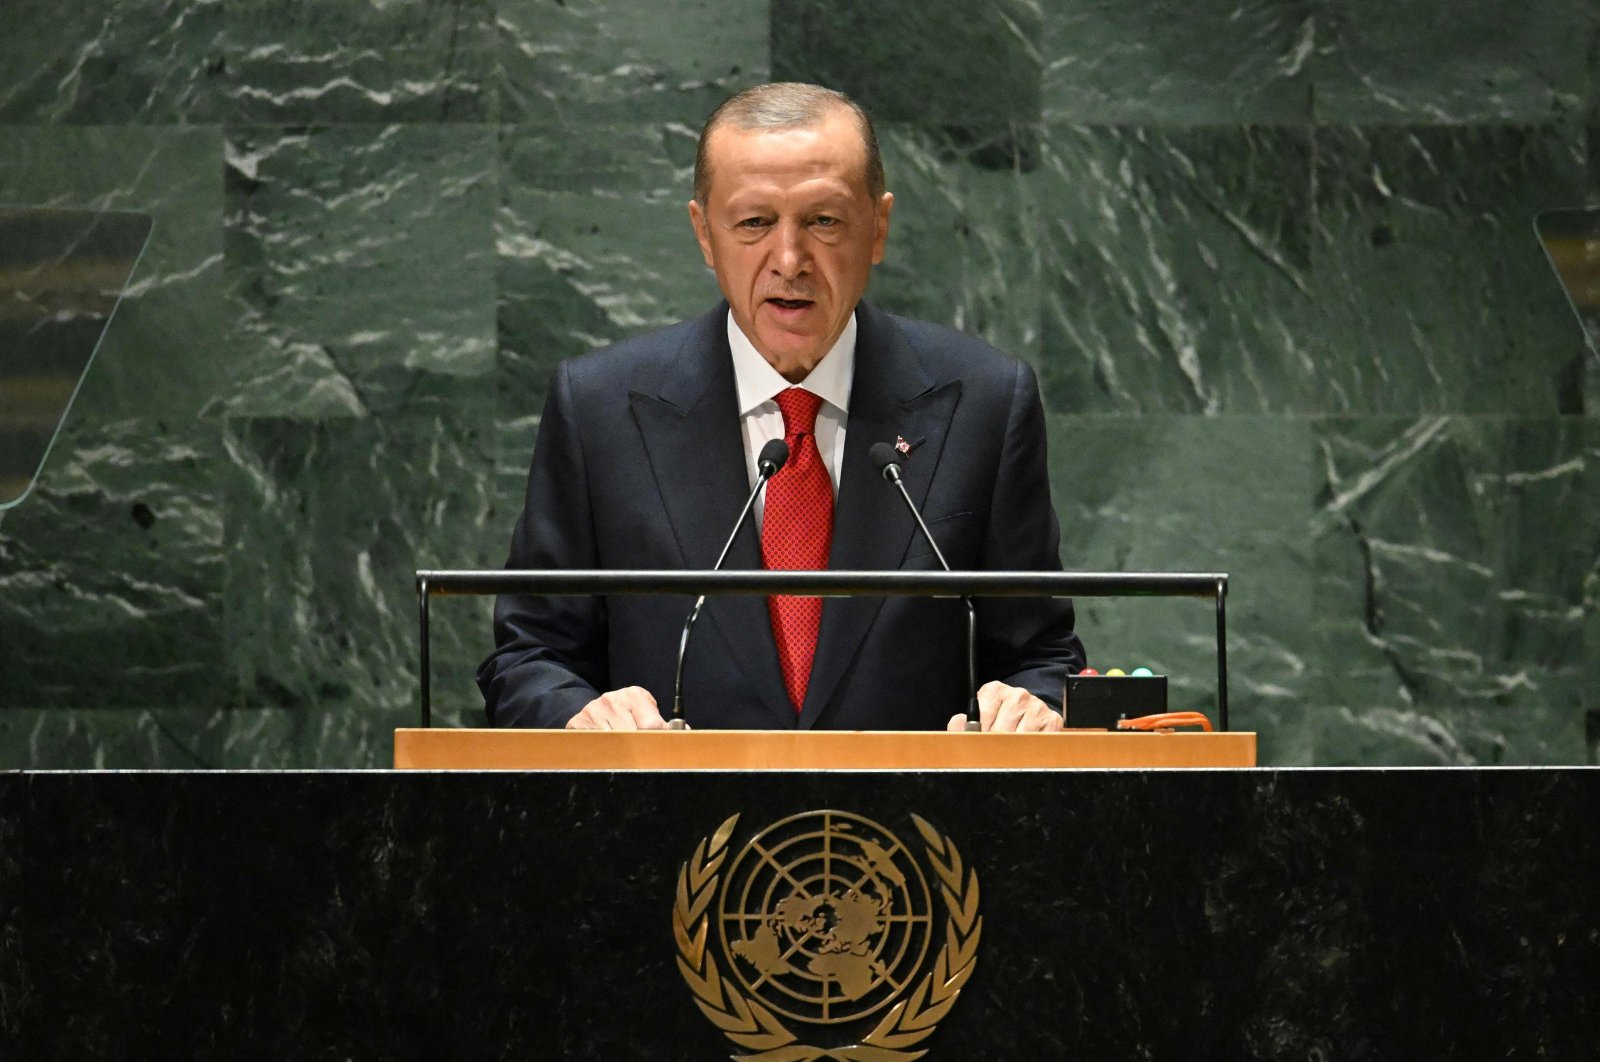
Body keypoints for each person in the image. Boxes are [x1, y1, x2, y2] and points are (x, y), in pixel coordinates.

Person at [477, 82, 1086, 731]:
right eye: (754, 223)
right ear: (704, 233)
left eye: (824, 221)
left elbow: (1042, 656)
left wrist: (1033, 708)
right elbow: (528, 656)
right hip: (670, 824)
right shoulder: (600, 409)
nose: (789, 260)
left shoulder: (984, 403)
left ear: (877, 228)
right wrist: (581, 714)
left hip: (910, 825)